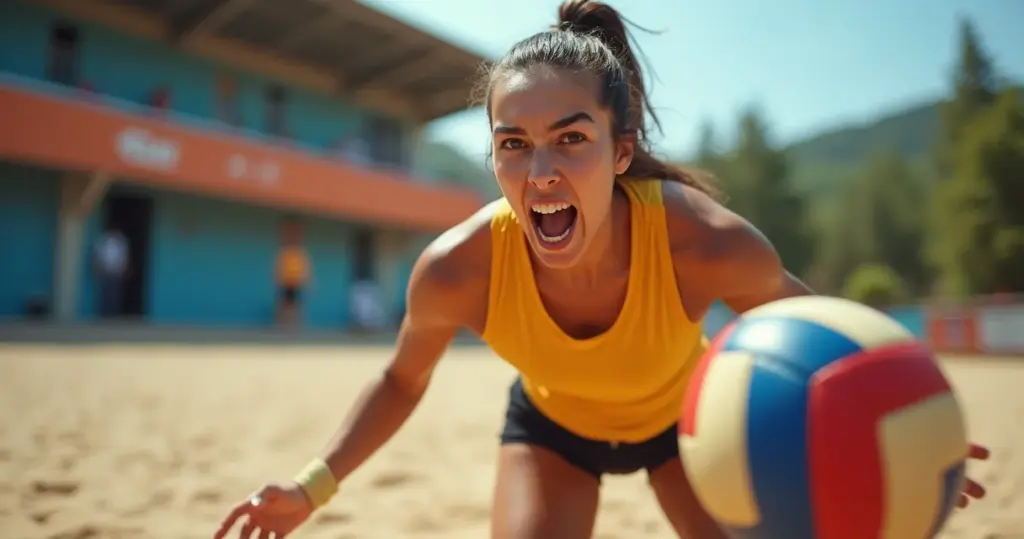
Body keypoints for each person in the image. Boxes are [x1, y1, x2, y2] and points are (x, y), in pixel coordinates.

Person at [215, 2, 989, 538]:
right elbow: (401, 380)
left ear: (621, 152)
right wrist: (310, 485)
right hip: (555, 432)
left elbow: (826, 344)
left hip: (691, 425)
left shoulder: (703, 242)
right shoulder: (458, 269)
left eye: (571, 138)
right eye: (513, 144)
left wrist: (912, 427)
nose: (540, 171)